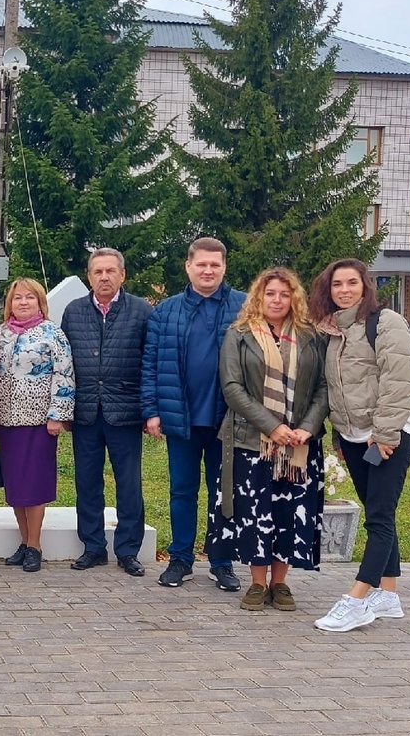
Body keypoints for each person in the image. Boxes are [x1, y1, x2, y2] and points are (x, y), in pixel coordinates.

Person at [309, 258, 410, 632]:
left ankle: (357, 598)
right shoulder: (332, 330)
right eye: (337, 285)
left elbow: (400, 378)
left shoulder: (386, 322)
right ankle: (388, 594)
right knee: (380, 512)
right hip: (354, 437)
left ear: (365, 286)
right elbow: (337, 389)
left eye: (351, 283)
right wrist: (341, 435)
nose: (344, 290)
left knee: (379, 516)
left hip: (389, 433)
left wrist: (387, 433)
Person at [210, 268, 329, 611]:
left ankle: (281, 583)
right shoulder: (239, 335)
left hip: (298, 445)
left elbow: (323, 387)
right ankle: (257, 583)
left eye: (284, 294)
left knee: (290, 512)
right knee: (255, 514)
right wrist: (272, 427)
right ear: (258, 298)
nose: (277, 300)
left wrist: (307, 427)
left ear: (294, 298)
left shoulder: (310, 336)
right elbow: (232, 388)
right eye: (270, 293)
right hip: (252, 441)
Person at [143, 237, 245, 590]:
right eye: (201, 264)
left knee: (224, 493)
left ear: (224, 267)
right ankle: (180, 559)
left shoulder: (244, 307)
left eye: (214, 265)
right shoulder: (166, 310)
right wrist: (152, 411)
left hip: (228, 421)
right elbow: (151, 365)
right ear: (188, 267)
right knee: (182, 491)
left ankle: (222, 561)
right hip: (180, 419)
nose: (208, 270)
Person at [60, 249, 153, 577]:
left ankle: (128, 551)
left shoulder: (141, 311)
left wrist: (148, 409)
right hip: (85, 411)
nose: (104, 277)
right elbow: (64, 364)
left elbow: (149, 362)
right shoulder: (73, 312)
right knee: (87, 482)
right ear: (89, 276)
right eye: (97, 272)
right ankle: (93, 547)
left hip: (125, 411)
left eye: (110, 271)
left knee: (129, 484)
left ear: (122, 275)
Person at [0, 277, 75, 573]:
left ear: (40, 302)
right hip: (6, 420)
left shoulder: (53, 334)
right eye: (17, 298)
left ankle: (36, 545)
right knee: (14, 484)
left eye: (29, 297)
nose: (23, 302)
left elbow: (64, 376)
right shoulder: (0, 334)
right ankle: (24, 542)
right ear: (9, 304)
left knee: (35, 482)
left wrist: (58, 415)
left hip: (39, 420)